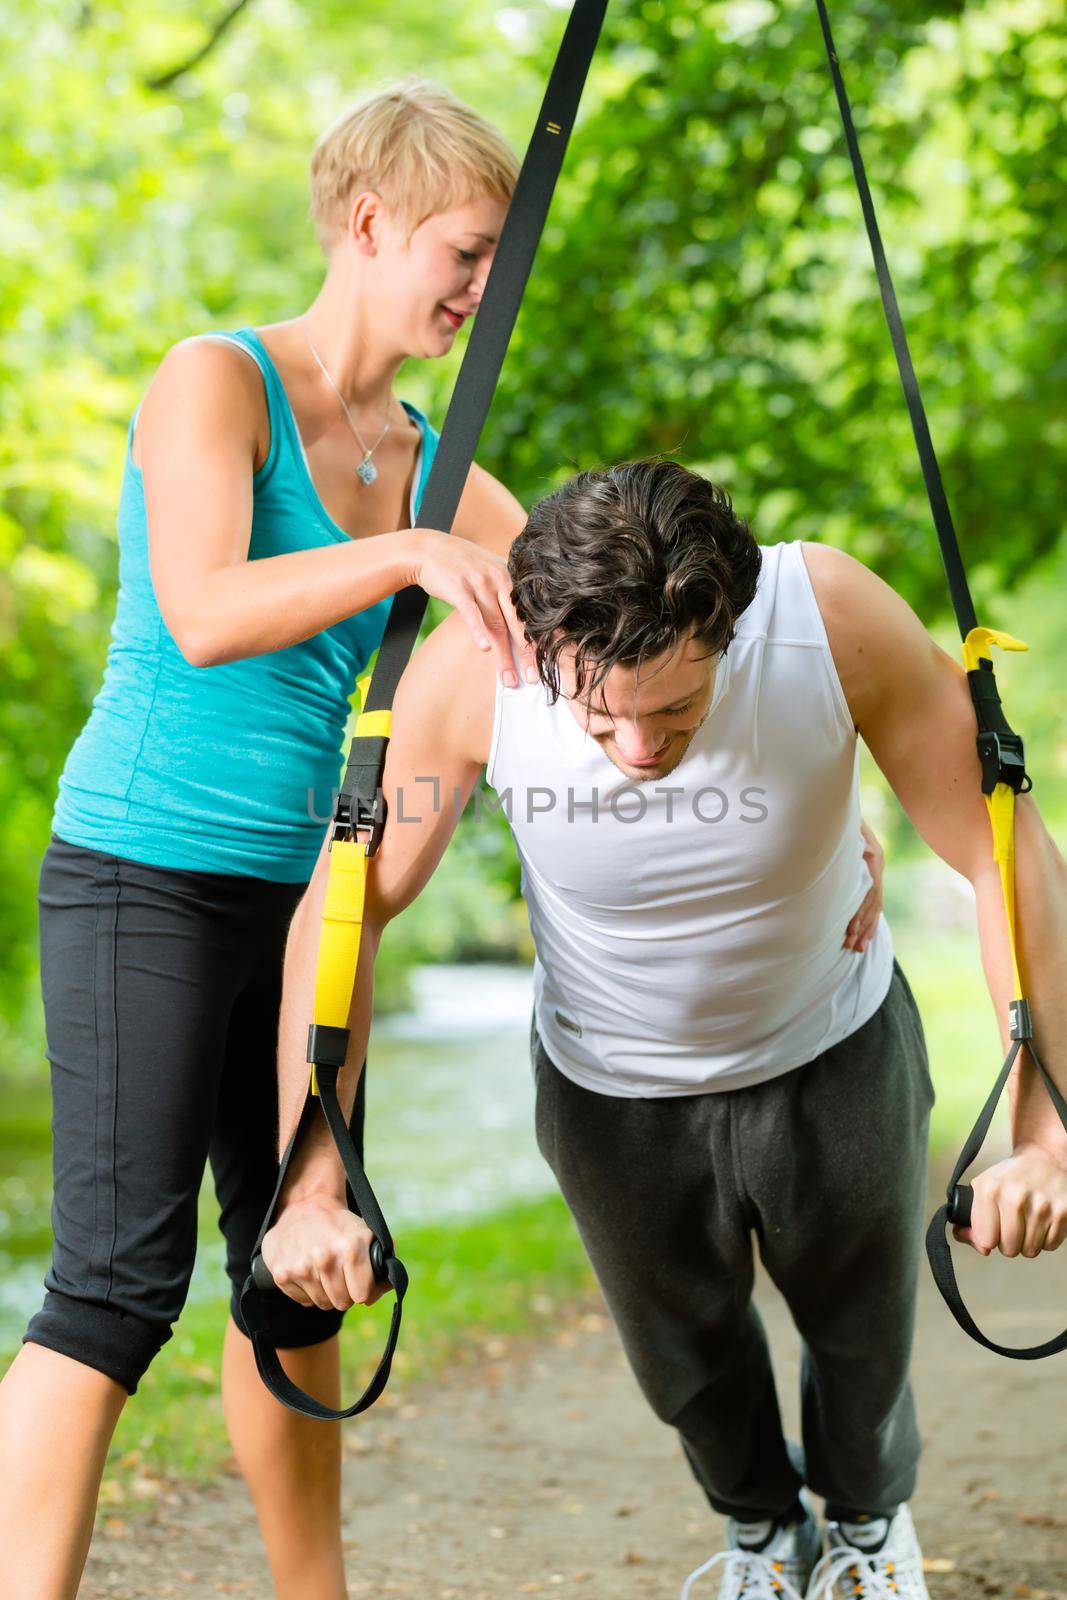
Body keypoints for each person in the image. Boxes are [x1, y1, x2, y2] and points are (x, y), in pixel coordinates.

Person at [263, 459, 1067, 1600]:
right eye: (601, 715)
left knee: (862, 1340)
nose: (638, 748)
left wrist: (1041, 1128)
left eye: (677, 708)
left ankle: (866, 1525)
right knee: (682, 1363)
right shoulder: (472, 672)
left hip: (830, 1047)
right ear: (544, 651)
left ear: (728, 630)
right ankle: (756, 1530)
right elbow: (350, 904)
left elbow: (1002, 845)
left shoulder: (820, 618)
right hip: (611, 1090)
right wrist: (311, 1181)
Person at [0, 78, 543, 1600]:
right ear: (369, 223)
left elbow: (581, 604)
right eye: (464, 251)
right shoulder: (214, 385)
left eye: (495, 262)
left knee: (302, 1270)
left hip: (318, 902)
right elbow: (205, 608)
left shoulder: (435, 464)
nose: (477, 288)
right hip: (143, 882)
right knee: (113, 1294)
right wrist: (414, 548)